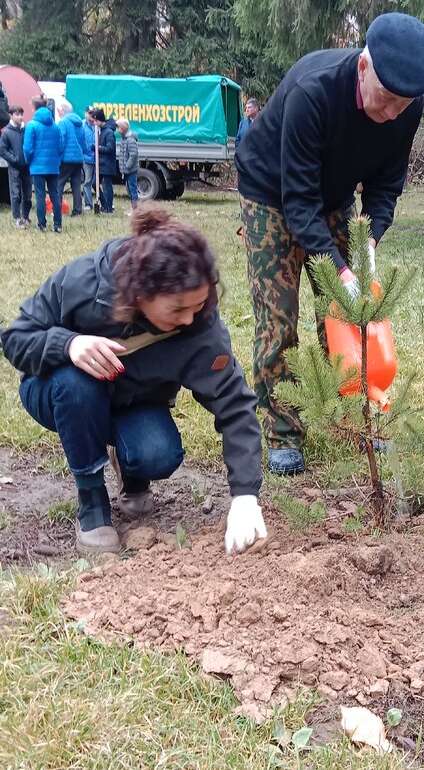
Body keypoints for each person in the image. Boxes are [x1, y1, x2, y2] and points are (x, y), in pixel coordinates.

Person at [236, 11, 424, 475]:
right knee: (279, 315)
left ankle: (357, 420)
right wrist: (340, 271)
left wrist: (368, 242)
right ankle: (284, 431)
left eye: (404, 105)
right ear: (364, 67)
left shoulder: (406, 107)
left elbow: (387, 184)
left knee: (348, 317)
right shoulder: (315, 90)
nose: (392, 113)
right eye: (387, 99)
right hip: (271, 194)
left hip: (333, 199)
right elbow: (298, 203)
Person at [1, 206, 267, 556]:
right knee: (76, 383)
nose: (190, 318)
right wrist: (69, 344)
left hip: (133, 401)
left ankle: (130, 470)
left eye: (199, 304)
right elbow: (16, 337)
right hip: (57, 391)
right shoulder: (86, 283)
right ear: (141, 294)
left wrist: (245, 496)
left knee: (158, 454)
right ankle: (92, 497)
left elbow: (234, 405)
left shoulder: (200, 327)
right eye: (176, 309)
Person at [24, 94, 65, 233]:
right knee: (55, 194)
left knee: (40, 196)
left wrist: (29, 161)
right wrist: (57, 161)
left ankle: (41, 224)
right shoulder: (56, 127)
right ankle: (58, 224)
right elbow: (61, 147)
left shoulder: (32, 126)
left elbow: (28, 148)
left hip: (37, 166)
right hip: (53, 165)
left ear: (34, 108)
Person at [0, 105, 32, 228]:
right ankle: (17, 218)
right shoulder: (7, 132)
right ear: (11, 115)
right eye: (17, 114)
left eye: (21, 114)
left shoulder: (27, 130)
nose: (20, 117)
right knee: (15, 194)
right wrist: (13, 159)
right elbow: (2, 150)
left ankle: (25, 216)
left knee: (28, 195)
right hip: (14, 167)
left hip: (27, 167)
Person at [57, 99, 86, 217]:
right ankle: (77, 211)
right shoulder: (79, 123)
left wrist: (58, 158)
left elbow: (61, 141)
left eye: (59, 111)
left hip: (66, 159)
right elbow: (84, 142)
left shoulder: (63, 122)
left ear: (63, 110)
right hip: (78, 159)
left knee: (58, 184)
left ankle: (57, 209)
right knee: (76, 186)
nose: (58, 113)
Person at [92, 107, 117, 213]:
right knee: (94, 184)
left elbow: (110, 149)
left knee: (107, 186)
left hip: (107, 164)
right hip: (100, 164)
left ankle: (109, 207)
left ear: (99, 120)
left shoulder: (109, 132)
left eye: (95, 121)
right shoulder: (100, 131)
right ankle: (104, 203)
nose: (94, 123)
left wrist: (97, 148)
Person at [116, 116, 139, 207]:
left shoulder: (130, 140)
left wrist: (127, 166)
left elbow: (133, 154)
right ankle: (134, 207)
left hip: (131, 169)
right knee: (130, 188)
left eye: (118, 127)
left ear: (123, 128)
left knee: (132, 188)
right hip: (127, 169)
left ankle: (136, 209)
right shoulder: (124, 138)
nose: (117, 129)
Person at [82, 107, 97, 210]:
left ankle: (104, 201)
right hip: (86, 158)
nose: (91, 116)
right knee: (87, 181)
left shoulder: (97, 125)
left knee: (98, 182)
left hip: (98, 158)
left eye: (93, 114)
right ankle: (88, 203)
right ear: (86, 113)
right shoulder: (82, 125)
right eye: (89, 113)